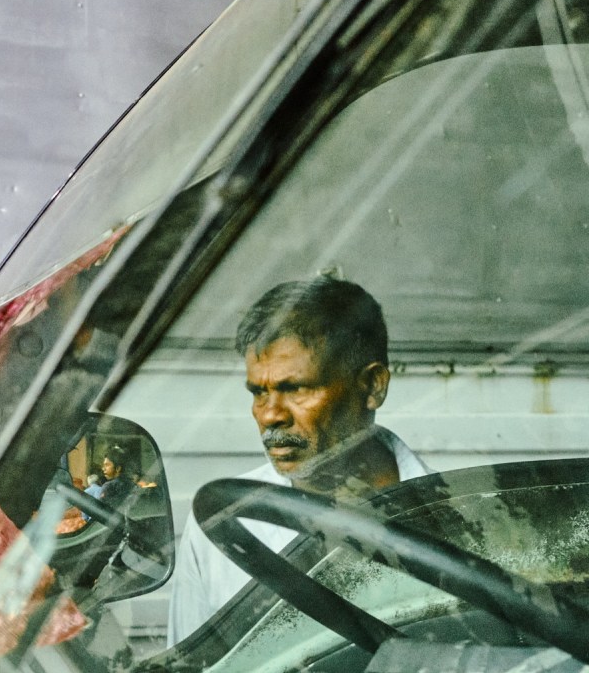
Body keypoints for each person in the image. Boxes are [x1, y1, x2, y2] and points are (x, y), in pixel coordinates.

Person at [166, 276, 432, 644]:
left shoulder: (458, 517)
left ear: (372, 387)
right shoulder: (222, 523)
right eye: (259, 392)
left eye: (295, 388)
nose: (270, 415)